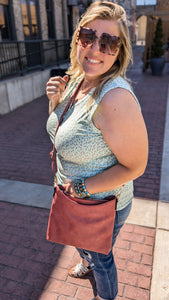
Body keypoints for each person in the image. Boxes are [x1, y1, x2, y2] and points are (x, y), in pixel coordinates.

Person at [46, 1, 148, 299]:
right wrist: (55, 103)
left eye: (109, 42)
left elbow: (135, 167)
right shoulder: (78, 80)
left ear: (120, 50)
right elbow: (64, 131)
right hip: (73, 198)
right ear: (78, 38)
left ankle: (106, 294)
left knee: (102, 258)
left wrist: (80, 187)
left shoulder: (115, 98)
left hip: (99, 205)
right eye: (89, 37)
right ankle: (86, 260)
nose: (95, 49)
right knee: (84, 245)